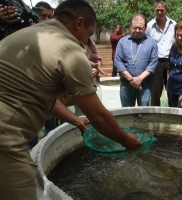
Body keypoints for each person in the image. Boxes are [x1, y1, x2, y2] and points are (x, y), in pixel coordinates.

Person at [0, 0, 142, 199]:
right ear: (79, 23)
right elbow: (98, 116)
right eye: (89, 33)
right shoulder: (70, 51)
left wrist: (75, 120)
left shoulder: (30, 34)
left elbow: (44, 97)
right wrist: (126, 140)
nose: (86, 40)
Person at [27, 1, 55, 149]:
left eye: (50, 16)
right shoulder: (24, 34)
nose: (46, 20)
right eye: (43, 16)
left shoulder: (53, 37)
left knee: (51, 131)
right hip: (28, 95)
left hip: (49, 94)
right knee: (30, 135)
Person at [114, 14, 158, 107]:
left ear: (145, 28)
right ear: (130, 27)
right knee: (127, 112)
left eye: (140, 28)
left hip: (145, 84)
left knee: (143, 112)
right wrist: (132, 80)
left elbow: (153, 63)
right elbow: (118, 62)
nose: (137, 31)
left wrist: (140, 79)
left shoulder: (152, 42)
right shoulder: (122, 42)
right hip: (126, 84)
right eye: (134, 28)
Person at [145, 0, 176, 106]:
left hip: (170, 62)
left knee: (171, 90)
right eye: (157, 10)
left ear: (166, 10)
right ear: (154, 10)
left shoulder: (173, 25)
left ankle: (173, 114)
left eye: (162, 10)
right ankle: (155, 115)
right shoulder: (149, 26)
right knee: (155, 91)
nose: (159, 12)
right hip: (155, 62)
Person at [74, 37, 108, 116]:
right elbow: (78, 59)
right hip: (81, 84)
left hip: (95, 82)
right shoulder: (73, 43)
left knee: (97, 111)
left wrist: (97, 68)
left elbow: (99, 59)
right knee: (82, 114)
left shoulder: (91, 43)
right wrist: (93, 67)